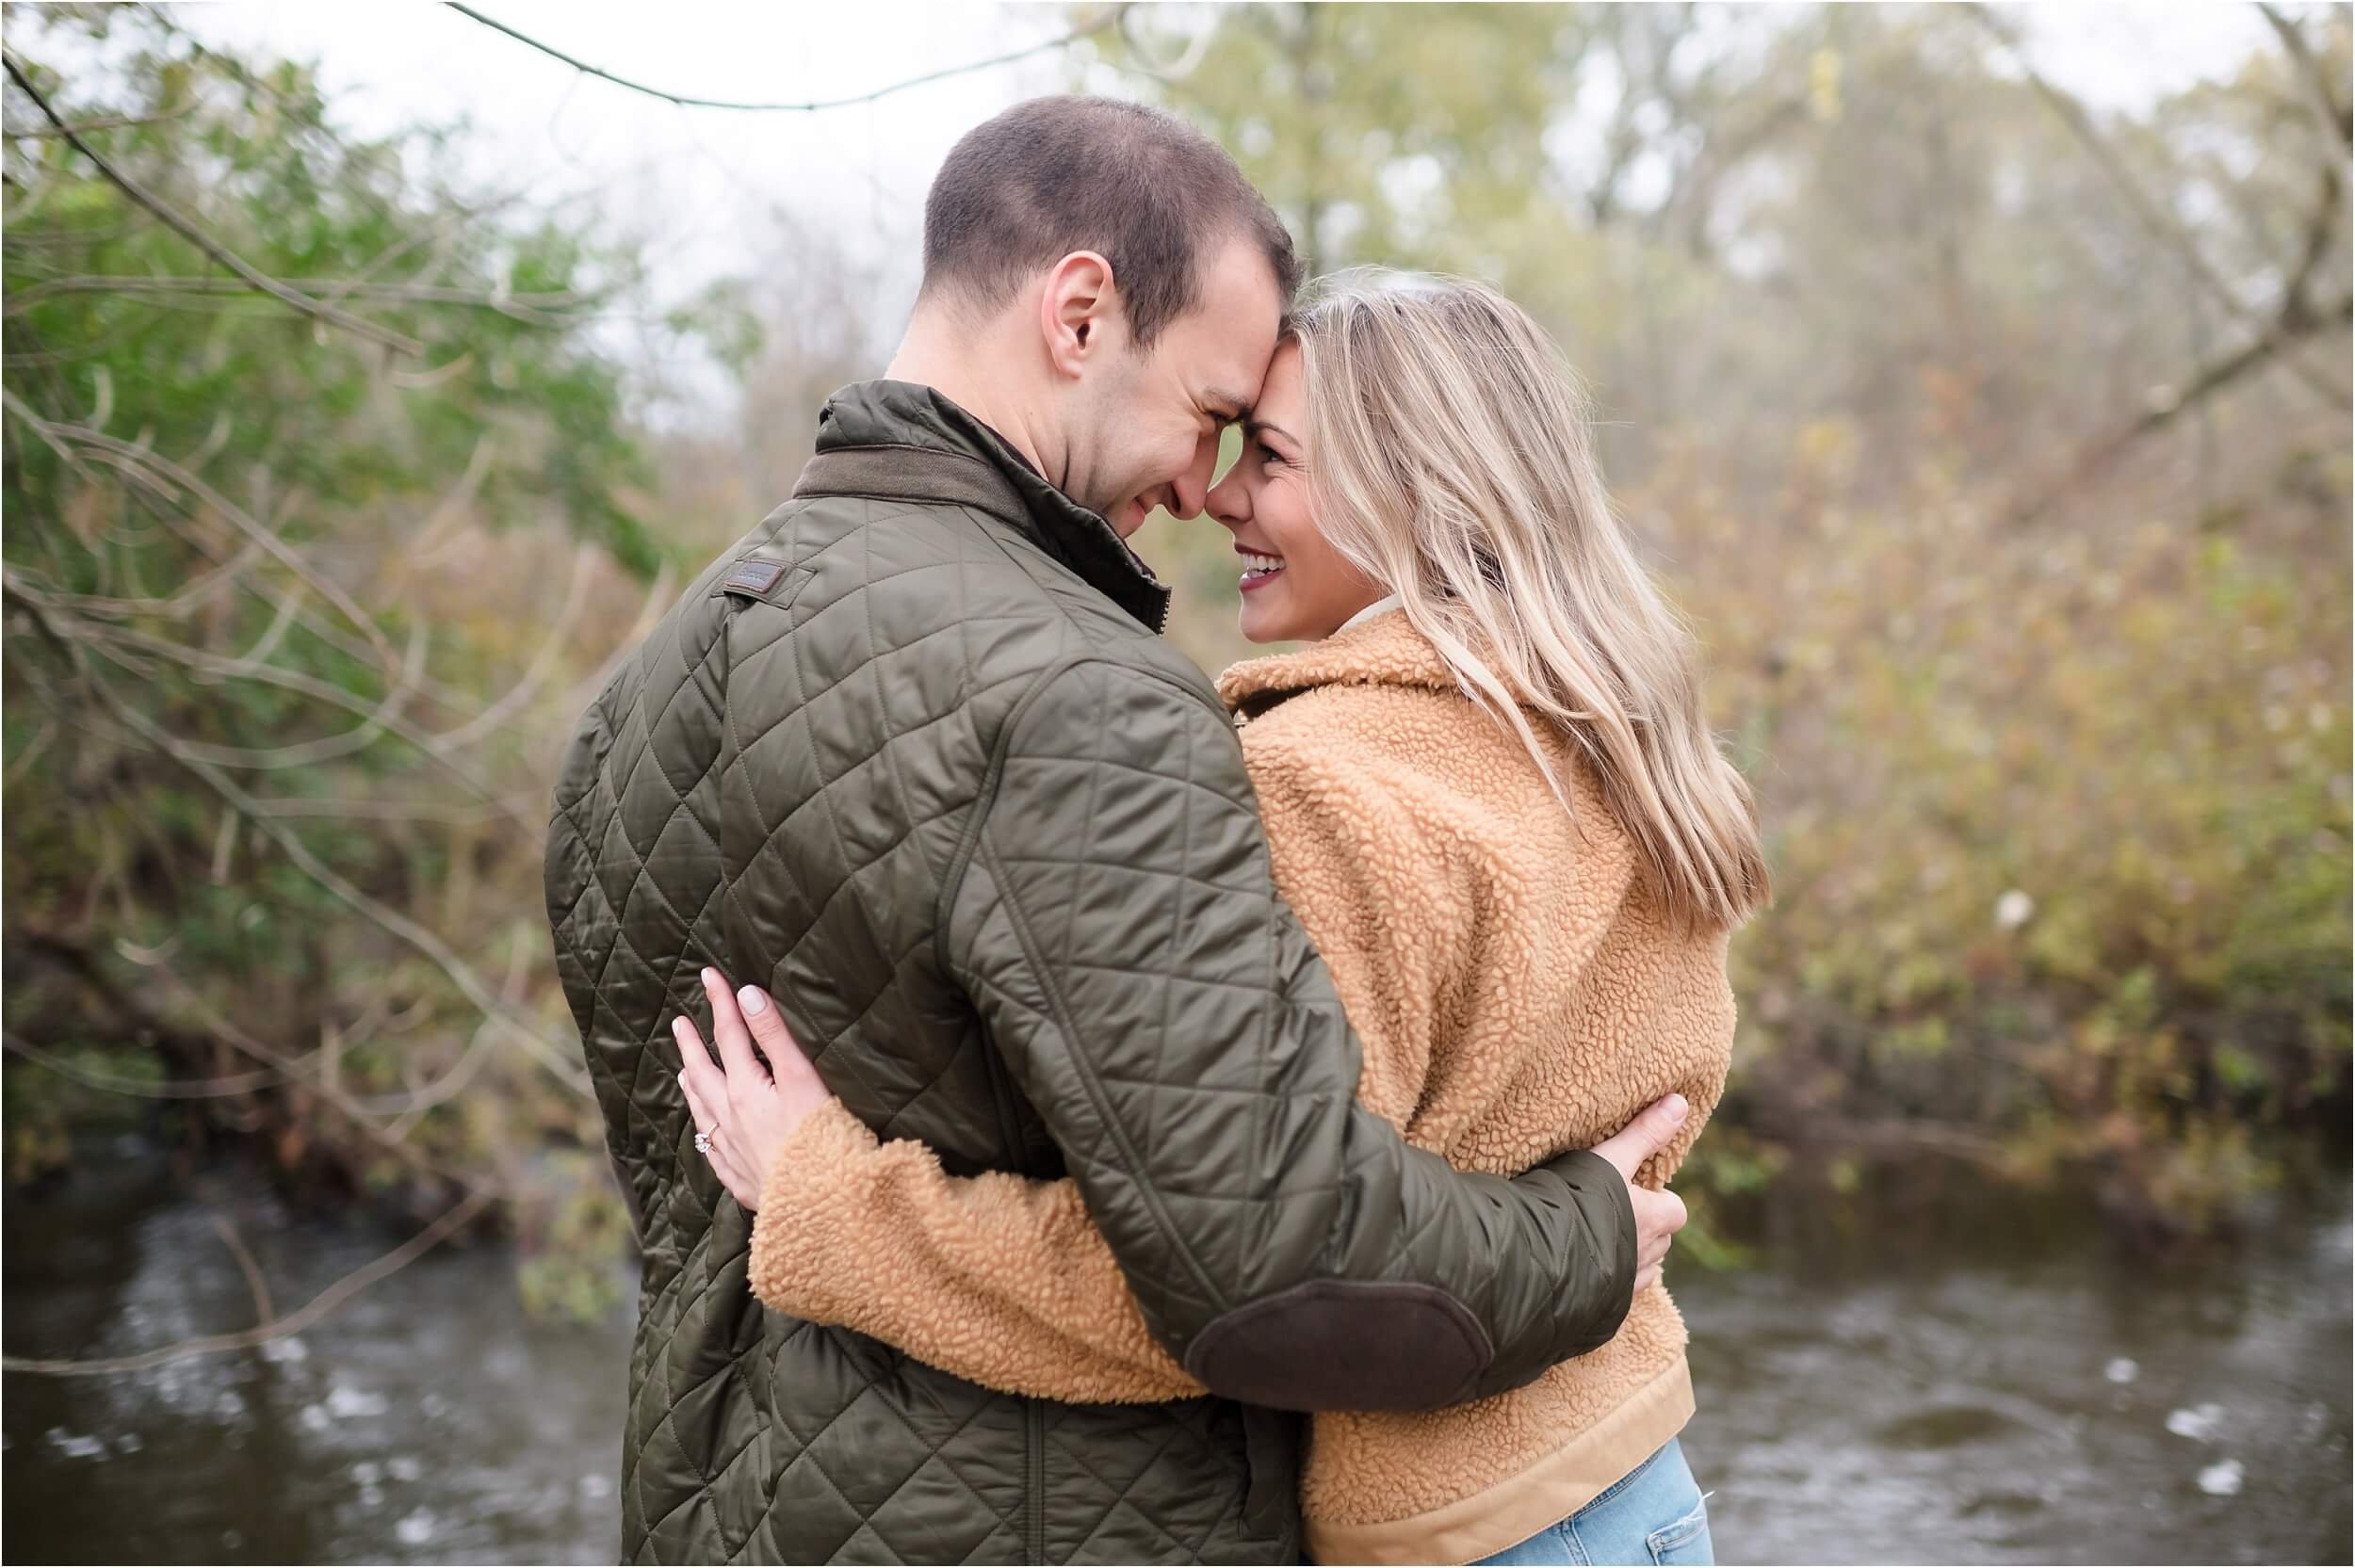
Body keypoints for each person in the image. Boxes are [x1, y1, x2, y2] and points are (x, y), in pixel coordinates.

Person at [544, 99, 1689, 1564]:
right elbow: (1276, 1264)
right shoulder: (1090, 699)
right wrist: (1585, 1239)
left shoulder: (641, 688)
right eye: (1212, 414)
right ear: (1080, 313)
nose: (1200, 490)